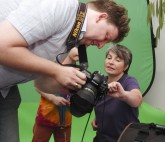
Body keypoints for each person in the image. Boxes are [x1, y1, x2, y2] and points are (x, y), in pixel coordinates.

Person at [0, 0, 130, 141]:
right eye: (106, 37)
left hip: (6, 91)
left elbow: (41, 83)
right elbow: (2, 46)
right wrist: (57, 70)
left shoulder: (72, 40)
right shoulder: (59, 7)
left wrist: (76, 86)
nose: (100, 46)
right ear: (101, 17)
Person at [91, 44, 142, 142]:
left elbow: (137, 99)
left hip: (125, 139)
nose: (111, 62)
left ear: (125, 66)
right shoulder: (101, 82)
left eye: (117, 60)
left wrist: (123, 95)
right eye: (109, 58)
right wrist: (98, 118)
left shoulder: (129, 81)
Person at [32, 48, 78, 142]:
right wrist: (52, 98)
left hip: (65, 120)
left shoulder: (78, 69)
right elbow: (37, 86)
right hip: (47, 116)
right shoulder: (52, 63)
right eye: (77, 47)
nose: (79, 51)